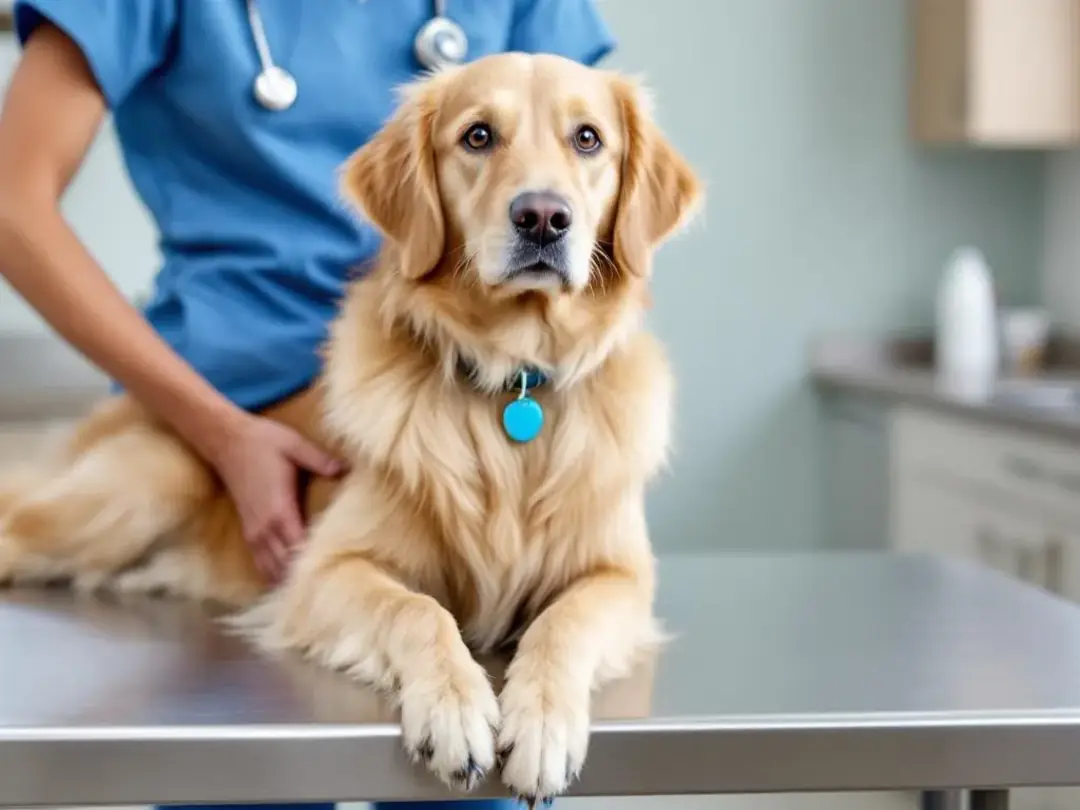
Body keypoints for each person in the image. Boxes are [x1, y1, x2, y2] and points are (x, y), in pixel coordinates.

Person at [0, 2, 615, 810]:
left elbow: (585, 183)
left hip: (474, 377)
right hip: (215, 424)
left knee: (479, 786)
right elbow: (13, 204)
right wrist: (221, 437)